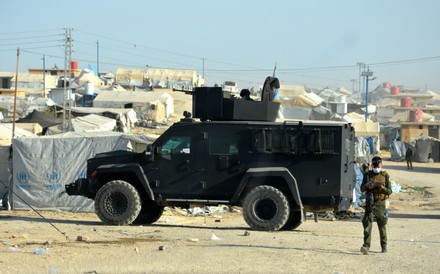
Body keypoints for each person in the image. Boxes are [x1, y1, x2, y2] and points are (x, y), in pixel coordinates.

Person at [360, 156, 393, 255]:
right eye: (374, 165)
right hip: (370, 203)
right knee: (367, 225)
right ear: (372, 165)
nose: (376, 166)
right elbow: (361, 189)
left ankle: (384, 246)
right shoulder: (367, 175)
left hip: (380, 203)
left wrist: (382, 188)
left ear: (381, 164)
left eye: (378, 165)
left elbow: (390, 191)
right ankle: (366, 246)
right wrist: (367, 185)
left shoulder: (385, 175)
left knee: (382, 225)